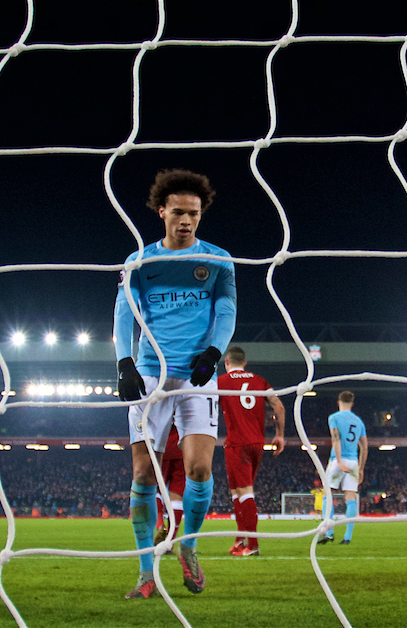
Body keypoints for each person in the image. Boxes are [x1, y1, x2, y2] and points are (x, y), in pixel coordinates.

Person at [113, 169, 236, 599]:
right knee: (144, 472)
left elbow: (226, 310)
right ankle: (146, 575)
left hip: (199, 376)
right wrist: (124, 362)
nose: (187, 221)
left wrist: (214, 353)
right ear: (162, 212)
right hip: (151, 375)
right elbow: (123, 313)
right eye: (179, 212)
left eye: (194, 214)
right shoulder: (140, 261)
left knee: (199, 469)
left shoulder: (219, 259)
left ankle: (189, 546)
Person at [217, 346, 285, 556]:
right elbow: (279, 406)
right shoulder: (259, 381)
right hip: (257, 444)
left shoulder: (221, 382)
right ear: (244, 362)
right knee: (237, 492)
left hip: (237, 443)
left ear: (226, 363)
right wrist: (280, 435)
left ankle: (253, 545)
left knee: (245, 493)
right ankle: (240, 539)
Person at [319, 391, 367, 545]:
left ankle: (329, 533)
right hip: (353, 461)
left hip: (337, 460)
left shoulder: (334, 418)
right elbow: (365, 447)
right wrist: (360, 469)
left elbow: (336, 439)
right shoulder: (359, 422)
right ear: (352, 404)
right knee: (350, 497)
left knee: (328, 494)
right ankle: (347, 537)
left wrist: (339, 461)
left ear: (338, 402)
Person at [152, 426, 186, 554]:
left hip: (160, 445)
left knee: (156, 489)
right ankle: (170, 541)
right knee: (177, 497)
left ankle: (160, 523)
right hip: (181, 448)